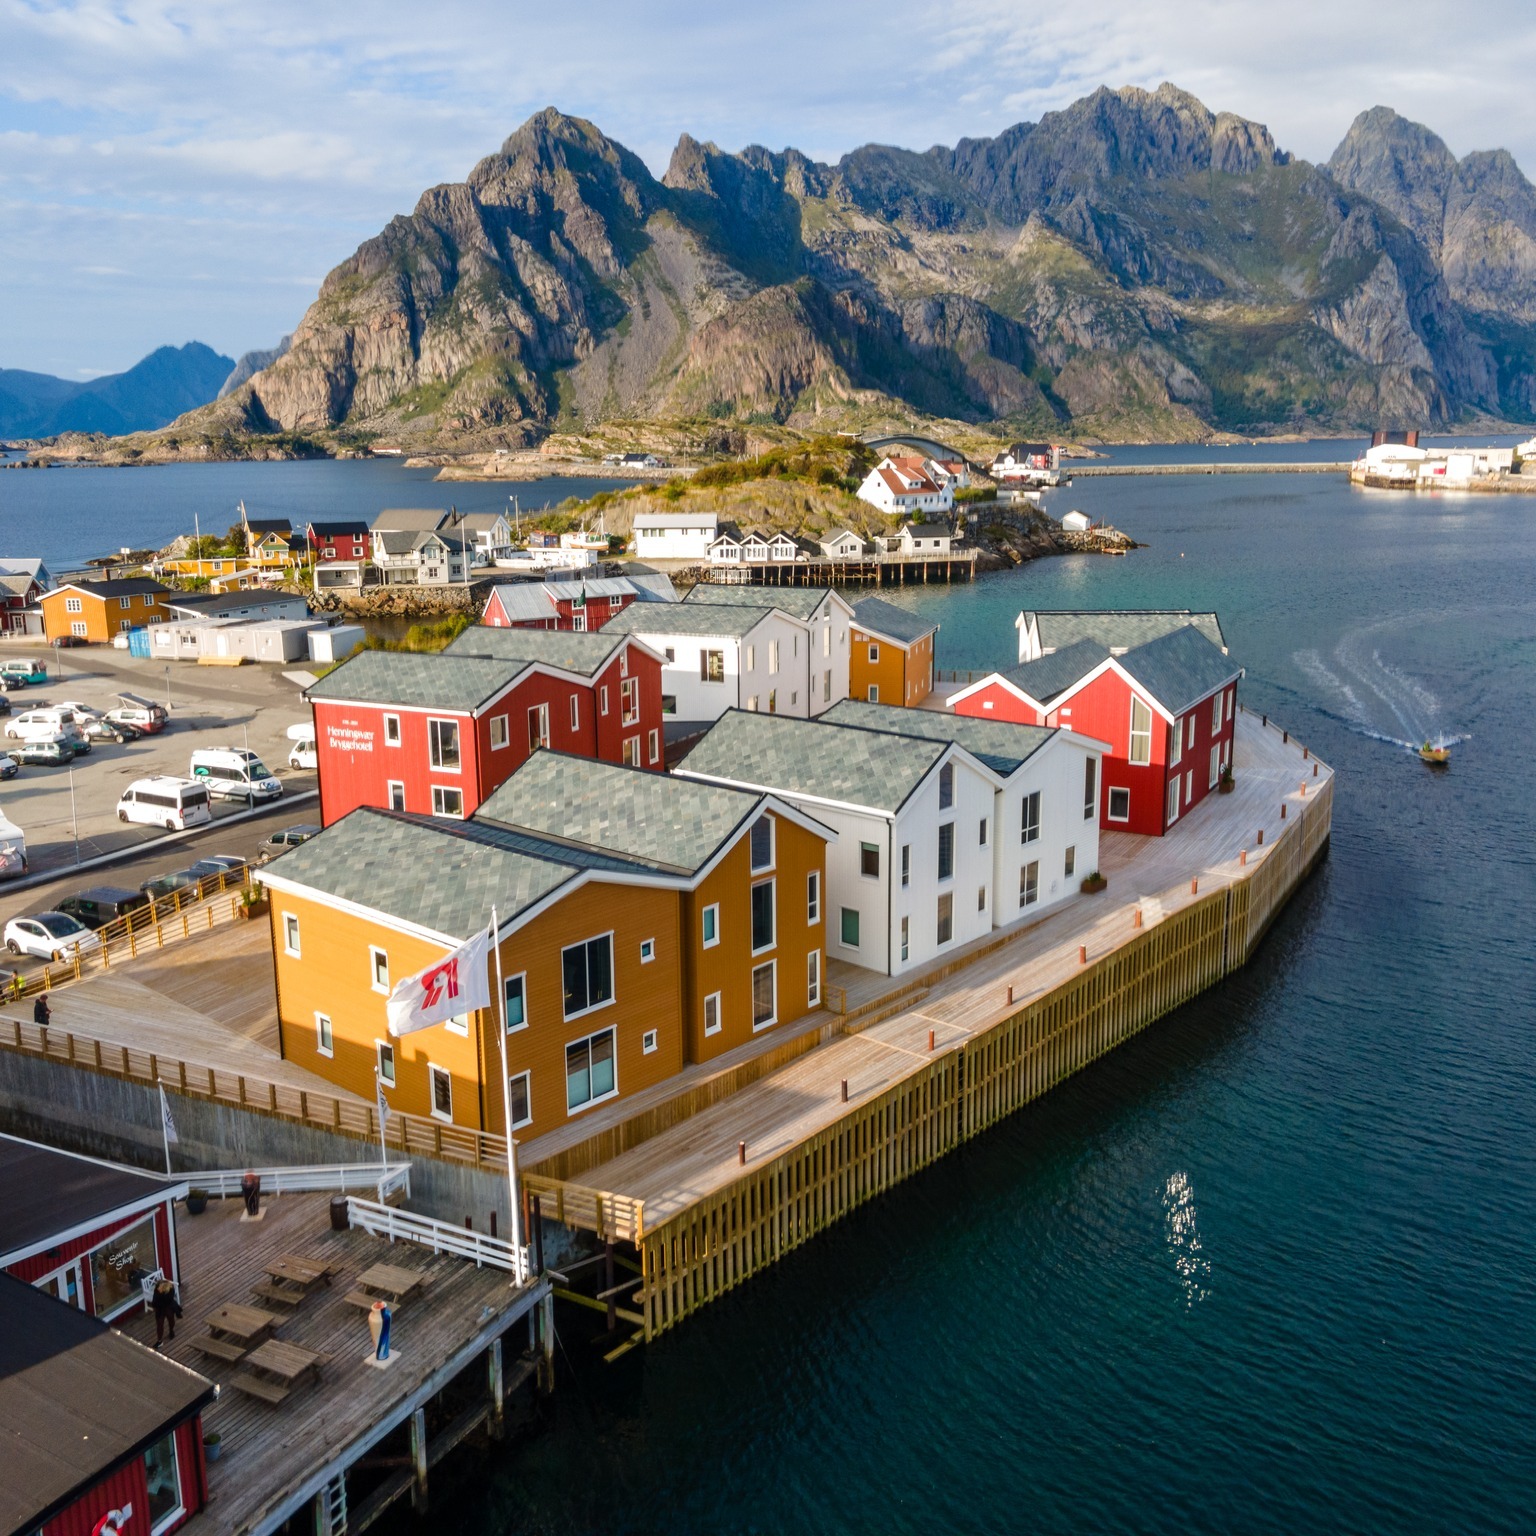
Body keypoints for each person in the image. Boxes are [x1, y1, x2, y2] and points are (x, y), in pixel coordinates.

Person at [152, 1278, 182, 1347]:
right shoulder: (157, 1289)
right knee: (159, 1324)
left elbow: (169, 1300)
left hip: (168, 1307)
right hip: (160, 1308)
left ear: (164, 1287)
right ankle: (159, 1341)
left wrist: (160, 1298)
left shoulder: (171, 1290)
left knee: (171, 1320)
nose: (158, 1288)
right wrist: (155, 1305)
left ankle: (171, 1330)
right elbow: (154, 1299)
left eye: (159, 1287)